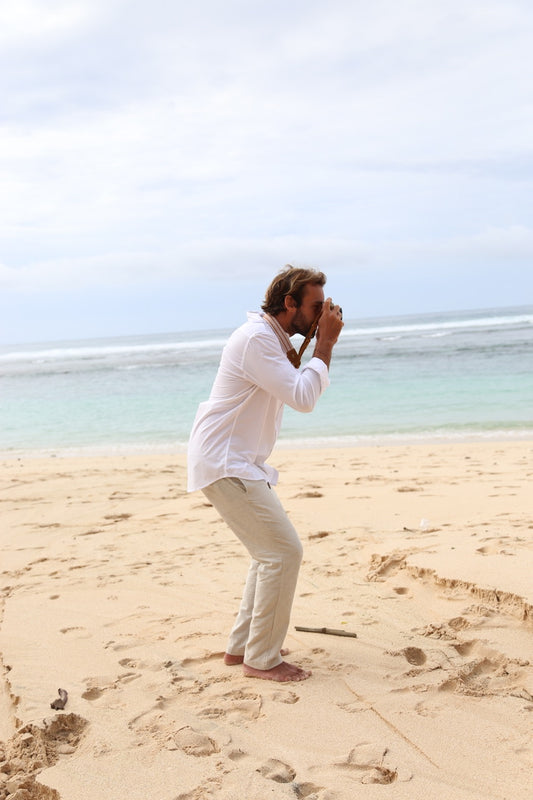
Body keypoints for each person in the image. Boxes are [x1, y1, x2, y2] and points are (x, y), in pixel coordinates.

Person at [187, 266, 343, 682]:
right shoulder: (258, 339)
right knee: (283, 553)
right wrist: (325, 344)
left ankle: (243, 648)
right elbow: (303, 397)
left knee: (267, 553)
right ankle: (262, 659)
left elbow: (295, 383)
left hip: (234, 462)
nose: (323, 313)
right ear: (289, 303)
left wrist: (315, 341)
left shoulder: (269, 340)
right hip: (226, 461)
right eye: (316, 306)